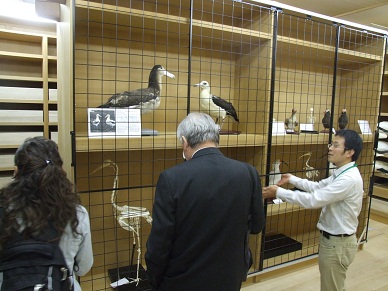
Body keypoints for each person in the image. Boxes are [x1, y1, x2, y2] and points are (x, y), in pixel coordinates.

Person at [145, 112, 265, 291]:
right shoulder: (248, 172)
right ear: (216, 138)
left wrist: (154, 279)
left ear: (185, 142)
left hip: (182, 281)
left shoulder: (172, 179)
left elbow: (159, 244)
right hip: (230, 278)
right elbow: (257, 226)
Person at [263, 129, 363, 291]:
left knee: (332, 288)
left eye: (336, 145)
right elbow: (317, 187)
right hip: (334, 242)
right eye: (331, 144)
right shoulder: (342, 173)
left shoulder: (348, 179)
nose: (330, 148)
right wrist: (292, 179)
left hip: (338, 244)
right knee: (334, 285)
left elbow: (314, 199)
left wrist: (278, 192)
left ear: (349, 152)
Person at [0, 136, 93, 290]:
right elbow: (83, 268)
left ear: (16, 172)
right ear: (59, 172)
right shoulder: (77, 214)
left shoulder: (3, 212)